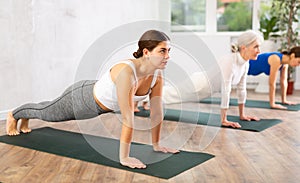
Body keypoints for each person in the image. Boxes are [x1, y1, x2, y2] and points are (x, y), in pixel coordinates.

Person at [6, 29, 179, 169]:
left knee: (45, 109)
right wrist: (124, 158)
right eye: (162, 51)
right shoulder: (127, 73)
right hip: (83, 99)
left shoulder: (157, 75)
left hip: (96, 105)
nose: (167, 56)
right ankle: (14, 114)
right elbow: (127, 118)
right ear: (147, 52)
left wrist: (156, 145)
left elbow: (156, 113)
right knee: (47, 113)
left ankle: (25, 116)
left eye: (168, 51)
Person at [162, 30, 263, 128]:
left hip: (204, 91)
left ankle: (148, 97)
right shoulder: (229, 61)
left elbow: (242, 89)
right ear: (244, 47)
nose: (259, 51)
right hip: (198, 85)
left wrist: (242, 115)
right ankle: (146, 95)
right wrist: (224, 120)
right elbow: (226, 90)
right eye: (256, 47)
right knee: (168, 94)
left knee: (168, 94)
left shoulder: (245, 63)